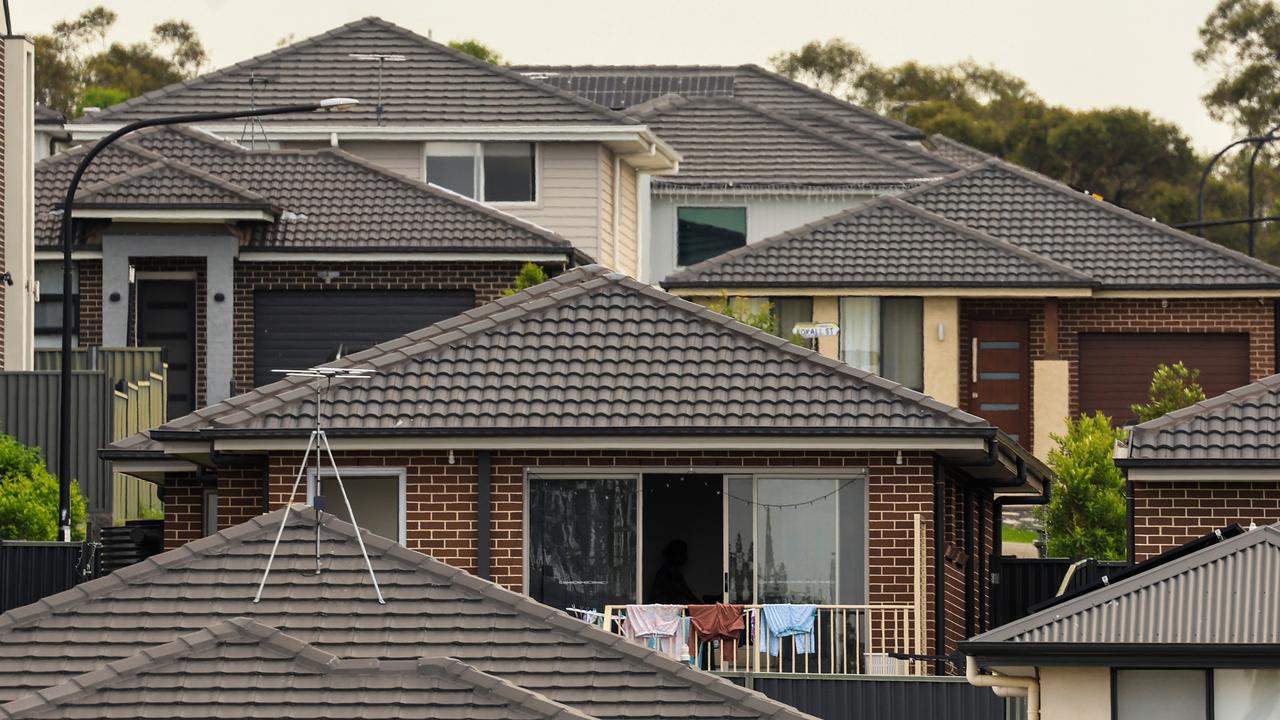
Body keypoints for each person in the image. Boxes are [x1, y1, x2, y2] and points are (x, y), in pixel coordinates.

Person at [650, 539, 700, 604]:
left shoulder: (674, 573)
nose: (686, 557)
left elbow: (688, 594)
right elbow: (684, 594)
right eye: (683, 554)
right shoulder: (667, 573)